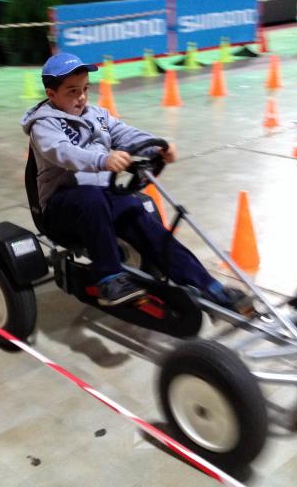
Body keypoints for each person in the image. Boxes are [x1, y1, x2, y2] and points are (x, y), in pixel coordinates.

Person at [21, 52, 252, 312]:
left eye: (85, 88)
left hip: (100, 198)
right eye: (72, 91)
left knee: (135, 211)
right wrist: (102, 159)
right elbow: (62, 152)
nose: (82, 97)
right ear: (52, 95)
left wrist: (157, 146)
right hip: (61, 208)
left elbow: (124, 133)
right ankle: (109, 279)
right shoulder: (44, 125)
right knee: (91, 199)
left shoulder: (97, 115)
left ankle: (209, 286)